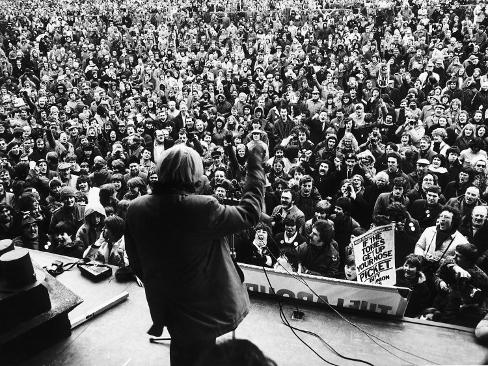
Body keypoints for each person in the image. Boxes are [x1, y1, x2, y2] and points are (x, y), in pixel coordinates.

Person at [125, 144, 265, 366]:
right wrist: (255, 164)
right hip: (201, 309)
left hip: (167, 304)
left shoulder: (135, 207)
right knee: (198, 357)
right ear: (196, 176)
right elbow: (250, 213)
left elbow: (135, 261)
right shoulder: (204, 208)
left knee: (181, 352)